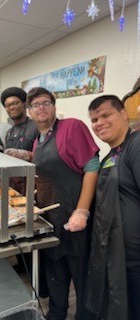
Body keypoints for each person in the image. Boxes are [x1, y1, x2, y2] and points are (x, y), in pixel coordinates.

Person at [27, 87, 100, 320]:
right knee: (54, 270)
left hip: (73, 215)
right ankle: (56, 314)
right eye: (36, 104)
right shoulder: (38, 139)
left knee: (81, 275)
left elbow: (92, 167)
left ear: (54, 106)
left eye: (46, 102)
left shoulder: (72, 127)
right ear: (29, 112)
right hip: (51, 217)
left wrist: (82, 211)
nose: (41, 107)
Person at [86, 95, 140, 320]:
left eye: (106, 115)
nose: (99, 123)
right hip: (116, 255)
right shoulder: (109, 156)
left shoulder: (136, 145)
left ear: (123, 114)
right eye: (94, 119)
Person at [0, 86, 38, 193]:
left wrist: (25, 154)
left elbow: (44, 157)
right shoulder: (9, 132)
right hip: (14, 185)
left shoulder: (36, 127)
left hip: (33, 185)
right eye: (7, 106)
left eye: (15, 103)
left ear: (24, 104)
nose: (11, 107)